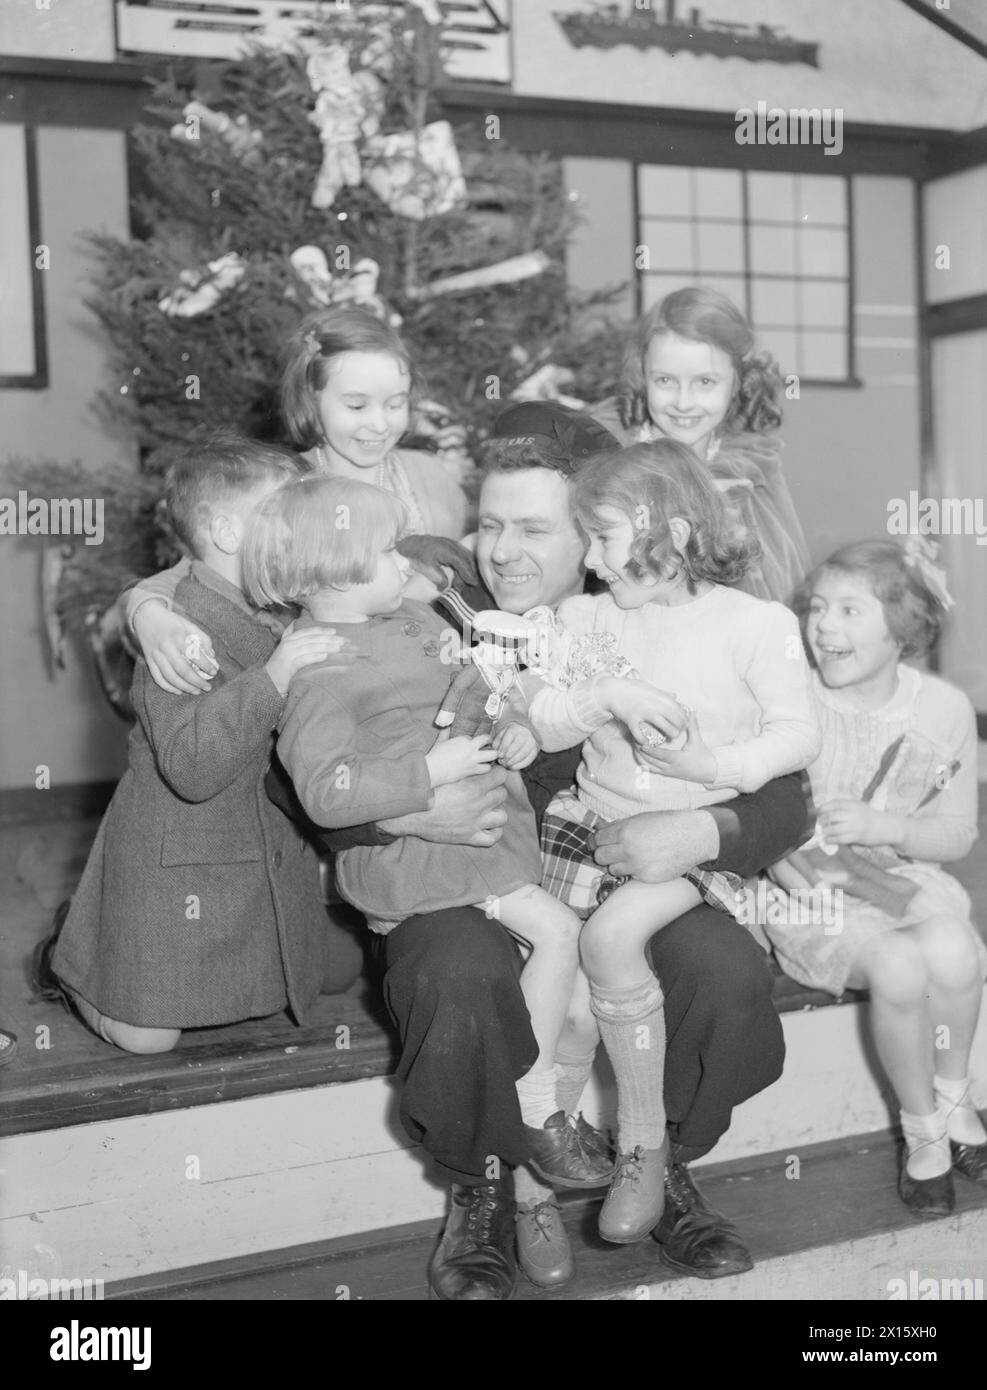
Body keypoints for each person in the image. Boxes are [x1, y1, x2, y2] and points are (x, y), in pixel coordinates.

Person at [242, 474, 682, 1190]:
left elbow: (477, 692)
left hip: (486, 852)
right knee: (522, 948)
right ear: (335, 572)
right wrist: (425, 772)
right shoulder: (319, 666)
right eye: (388, 552)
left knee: (561, 936)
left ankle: (532, 1100)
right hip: (419, 870)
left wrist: (511, 733)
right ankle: (529, 1116)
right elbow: (322, 793)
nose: (408, 564)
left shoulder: (419, 623)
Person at [524, 441, 819, 1242]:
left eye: (605, 537)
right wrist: (597, 696)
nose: (589, 559)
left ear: (676, 535)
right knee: (572, 1008)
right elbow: (535, 714)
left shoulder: (754, 624)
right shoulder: (586, 619)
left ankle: (644, 1145)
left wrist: (712, 766)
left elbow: (798, 736)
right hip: (587, 830)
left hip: (691, 847)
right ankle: (535, 1174)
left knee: (615, 938)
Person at [48, 436, 348, 1050]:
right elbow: (190, 767)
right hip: (183, 859)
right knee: (146, 1038)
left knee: (317, 980)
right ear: (228, 532)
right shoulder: (180, 632)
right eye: (287, 521)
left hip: (260, 852)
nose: (304, 538)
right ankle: (73, 956)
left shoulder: (283, 606)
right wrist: (273, 678)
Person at [765, 538, 987, 1216]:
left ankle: (954, 1102)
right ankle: (919, 1130)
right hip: (804, 890)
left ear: (901, 628)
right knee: (895, 965)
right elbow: (756, 815)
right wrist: (795, 877)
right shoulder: (790, 697)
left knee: (954, 947)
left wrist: (883, 827)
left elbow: (953, 836)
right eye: (816, 608)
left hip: (898, 873)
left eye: (848, 611)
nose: (823, 626)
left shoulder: (941, 710)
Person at [593, 285, 810, 605]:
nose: (683, 402)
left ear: (738, 381)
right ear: (642, 375)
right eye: (665, 380)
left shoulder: (751, 467)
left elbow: (778, 580)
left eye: (705, 382)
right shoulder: (607, 455)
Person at [279, 304, 468, 541]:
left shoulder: (432, 477)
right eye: (357, 406)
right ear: (311, 399)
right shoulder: (284, 494)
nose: (380, 425)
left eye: (395, 404)